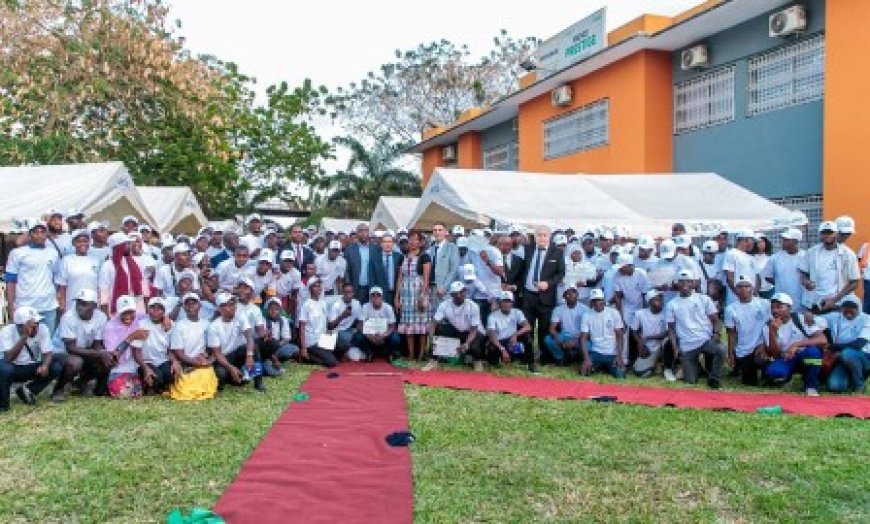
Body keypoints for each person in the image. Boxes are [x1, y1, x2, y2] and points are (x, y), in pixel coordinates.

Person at [665, 270, 726, 389]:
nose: (685, 284)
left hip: (705, 340)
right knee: (691, 380)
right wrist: (675, 348)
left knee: (721, 349)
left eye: (688, 281)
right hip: (687, 345)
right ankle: (696, 367)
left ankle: (714, 378)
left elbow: (716, 320)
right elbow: (671, 329)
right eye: (681, 281)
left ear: (693, 283)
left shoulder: (704, 299)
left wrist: (717, 333)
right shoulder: (671, 304)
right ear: (677, 284)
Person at [520, 225, 566, 373]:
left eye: (545, 235)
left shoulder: (557, 252)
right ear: (535, 237)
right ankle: (528, 357)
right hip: (528, 295)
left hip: (546, 296)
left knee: (544, 329)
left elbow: (560, 274)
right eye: (539, 235)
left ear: (550, 237)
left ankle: (544, 357)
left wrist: (548, 283)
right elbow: (522, 270)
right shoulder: (527, 250)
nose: (541, 237)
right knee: (527, 327)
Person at [50, 289, 109, 401]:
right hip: (61, 352)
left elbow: (97, 344)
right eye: (78, 302)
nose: (79, 306)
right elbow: (70, 348)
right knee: (76, 362)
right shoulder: (68, 317)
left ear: (94, 306)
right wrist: (98, 353)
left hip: (84, 350)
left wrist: (102, 354)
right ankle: (58, 389)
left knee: (105, 361)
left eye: (84, 304)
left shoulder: (100, 317)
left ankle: (80, 383)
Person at [762, 293, 826, 396]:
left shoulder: (801, 319)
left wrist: (797, 344)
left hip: (803, 355)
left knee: (813, 352)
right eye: (773, 307)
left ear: (789, 308)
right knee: (774, 373)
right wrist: (772, 333)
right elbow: (774, 354)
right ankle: (787, 380)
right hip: (786, 358)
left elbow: (822, 339)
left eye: (779, 307)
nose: (775, 311)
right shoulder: (768, 326)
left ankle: (811, 386)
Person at [0, 306, 62, 412]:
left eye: (37, 323)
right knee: (4, 368)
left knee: (55, 366)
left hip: (30, 366)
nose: (36, 326)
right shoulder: (7, 331)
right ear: (21, 326)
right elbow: (8, 358)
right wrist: (24, 336)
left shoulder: (42, 328)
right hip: (12, 368)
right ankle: (3, 404)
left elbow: (48, 353)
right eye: (33, 324)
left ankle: (28, 391)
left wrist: (45, 366)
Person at [5, 220, 61, 329]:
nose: (39, 235)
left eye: (42, 232)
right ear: (30, 234)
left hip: (48, 307)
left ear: (47, 234)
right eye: (36, 232)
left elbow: (56, 278)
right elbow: (11, 282)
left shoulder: (53, 253)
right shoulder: (17, 253)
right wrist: (11, 308)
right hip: (25, 306)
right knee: (25, 341)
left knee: (47, 342)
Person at [207, 292, 265, 392]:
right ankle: (233, 377)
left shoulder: (240, 316)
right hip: (222, 358)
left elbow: (249, 336)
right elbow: (217, 354)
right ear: (220, 309)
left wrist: (249, 356)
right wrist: (231, 368)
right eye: (227, 305)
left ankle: (258, 383)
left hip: (236, 353)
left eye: (232, 304)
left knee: (253, 347)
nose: (232, 307)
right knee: (221, 375)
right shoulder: (214, 326)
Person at [800, 221, 860, 313]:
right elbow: (803, 273)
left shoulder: (848, 254)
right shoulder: (811, 252)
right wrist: (806, 282)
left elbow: (854, 282)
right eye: (824, 233)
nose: (826, 235)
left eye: (830, 232)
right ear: (820, 235)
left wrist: (834, 300)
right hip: (815, 303)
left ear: (836, 234)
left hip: (838, 304)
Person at [423, 281, 484, 372]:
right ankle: (433, 360)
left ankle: (477, 361)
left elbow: (474, 330)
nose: (459, 295)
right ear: (451, 295)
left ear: (465, 292)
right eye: (456, 293)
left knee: (475, 344)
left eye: (461, 292)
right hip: (456, 330)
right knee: (439, 330)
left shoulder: (473, 306)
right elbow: (433, 322)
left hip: (472, 332)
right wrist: (431, 338)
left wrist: (467, 343)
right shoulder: (445, 305)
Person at [168, 292, 218, 400]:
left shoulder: (207, 324)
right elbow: (179, 352)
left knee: (206, 378)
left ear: (200, 306)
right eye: (188, 304)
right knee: (186, 388)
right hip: (186, 362)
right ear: (184, 307)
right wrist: (194, 362)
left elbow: (212, 348)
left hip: (202, 361)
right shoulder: (179, 326)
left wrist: (207, 359)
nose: (191, 306)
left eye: (194, 303)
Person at [724, 277, 771, 386]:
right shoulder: (730, 309)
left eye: (747, 286)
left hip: (761, 346)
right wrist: (730, 354)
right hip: (743, 350)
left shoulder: (764, 304)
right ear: (735, 290)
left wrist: (764, 344)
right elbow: (731, 333)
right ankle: (740, 368)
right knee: (749, 383)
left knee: (763, 362)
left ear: (752, 289)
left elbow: (771, 326)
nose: (743, 289)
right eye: (740, 287)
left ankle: (768, 375)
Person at [395, 231, 432, 361]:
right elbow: (399, 279)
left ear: (420, 242)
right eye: (410, 239)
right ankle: (410, 354)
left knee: (421, 326)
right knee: (408, 325)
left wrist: (422, 297)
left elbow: (426, 279)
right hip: (406, 294)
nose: (412, 242)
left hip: (419, 292)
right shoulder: (402, 257)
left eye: (416, 239)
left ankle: (421, 354)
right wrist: (397, 298)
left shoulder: (425, 256)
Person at [101, 295, 148, 398]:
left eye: (130, 312)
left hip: (133, 366)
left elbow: (154, 317)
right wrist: (130, 338)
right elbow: (114, 357)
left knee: (137, 393)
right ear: (118, 313)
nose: (128, 316)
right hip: (118, 368)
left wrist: (164, 318)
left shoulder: (139, 318)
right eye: (124, 313)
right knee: (123, 393)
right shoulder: (110, 327)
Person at [824, 295, 870, 393]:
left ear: (859, 309)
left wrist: (833, 347)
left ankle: (859, 384)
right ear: (841, 309)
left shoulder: (867, 319)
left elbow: (859, 344)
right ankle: (851, 378)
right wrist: (810, 315)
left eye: (851, 312)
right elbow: (817, 319)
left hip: (864, 357)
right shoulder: (834, 317)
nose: (848, 315)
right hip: (843, 360)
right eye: (846, 312)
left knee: (848, 353)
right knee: (835, 386)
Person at [132, 297, 177, 395]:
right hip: (145, 362)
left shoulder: (170, 325)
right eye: (153, 307)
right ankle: (151, 386)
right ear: (148, 309)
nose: (156, 311)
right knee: (156, 377)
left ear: (164, 311)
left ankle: (159, 387)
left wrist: (174, 362)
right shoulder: (141, 325)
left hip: (162, 361)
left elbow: (170, 349)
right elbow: (136, 352)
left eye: (160, 308)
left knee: (172, 375)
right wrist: (145, 368)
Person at [612, 253, 650, 367]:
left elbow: (645, 295)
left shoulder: (641, 274)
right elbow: (618, 297)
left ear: (629, 265)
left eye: (622, 267)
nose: (620, 269)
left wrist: (644, 313)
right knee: (624, 332)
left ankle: (643, 357)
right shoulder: (616, 276)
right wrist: (621, 317)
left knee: (641, 332)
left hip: (641, 305)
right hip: (627, 306)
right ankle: (624, 359)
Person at [579, 288, 625, 378]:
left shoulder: (614, 313)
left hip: (612, 353)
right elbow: (583, 338)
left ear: (604, 300)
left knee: (620, 375)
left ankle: (604, 367)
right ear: (591, 302)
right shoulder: (586, 315)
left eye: (599, 300)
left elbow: (620, 336)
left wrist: (619, 356)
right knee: (583, 372)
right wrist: (587, 359)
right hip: (596, 352)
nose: (597, 303)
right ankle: (599, 366)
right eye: (594, 300)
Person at [99, 233, 149, 315]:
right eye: (127, 244)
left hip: (136, 306)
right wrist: (105, 314)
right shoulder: (108, 265)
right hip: (117, 308)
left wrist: (146, 304)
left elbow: (143, 283)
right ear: (119, 246)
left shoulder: (134, 262)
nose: (129, 246)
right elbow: (104, 291)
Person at [56, 228, 99, 315]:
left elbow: (99, 287)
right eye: (79, 241)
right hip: (72, 306)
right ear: (74, 243)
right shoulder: (66, 260)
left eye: (85, 241)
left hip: (92, 306)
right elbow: (62, 288)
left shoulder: (95, 260)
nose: (83, 244)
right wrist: (63, 307)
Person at [297, 278, 338, 367]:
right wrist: (303, 347)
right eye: (315, 286)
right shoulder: (306, 305)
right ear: (310, 289)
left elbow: (325, 323)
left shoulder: (323, 303)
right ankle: (306, 355)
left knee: (341, 346)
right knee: (332, 362)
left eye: (319, 286)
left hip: (323, 339)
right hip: (312, 341)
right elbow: (302, 327)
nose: (318, 288)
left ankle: (320, 354)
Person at [544, 285, 588, 365]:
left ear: (577, 295)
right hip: (565, 335)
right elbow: (552, 329)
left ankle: (579, 358)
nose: (570, 296)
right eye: (568, 294)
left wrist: (575, 341)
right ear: (564, 296)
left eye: (573, 293)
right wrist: (561, 342)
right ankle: (560, 358)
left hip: (580, 336)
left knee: (590, 345)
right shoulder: (558, 309)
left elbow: (588, 330)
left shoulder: (585, 309)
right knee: (548, 339)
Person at [763, 228, 805, 312]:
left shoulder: (805, 256)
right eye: (783, 239)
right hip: (781, 302)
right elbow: (767, 276)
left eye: (786, 240)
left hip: (802, 303)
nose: (782, 242)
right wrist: (780, 282)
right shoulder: (775, 258)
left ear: (795, 241)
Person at [631, 290, 671, 378]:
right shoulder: (640, 313)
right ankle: (655, 366)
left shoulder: (667, 313)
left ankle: (665, 366)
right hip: (647, 347)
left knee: (668, 341)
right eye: (657, 299)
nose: (660, 301)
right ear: (649, 302)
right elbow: (633, 330)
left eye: (661, 299)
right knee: (639, 371)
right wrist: (640, 343)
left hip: (660, 347)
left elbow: (667, 333)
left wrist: (649, 337)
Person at [485, 291, 530, 367]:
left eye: (509, 301)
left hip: (511, 341)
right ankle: (498, 361)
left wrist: (515, 334)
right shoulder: (492, 316)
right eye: (504, 301)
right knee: (491, 350)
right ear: (500, 303)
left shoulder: (517, 312)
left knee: (527, 337)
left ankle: (530, 362)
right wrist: (502, 349)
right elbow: (492, 336)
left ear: (512, 303)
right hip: (499, 342)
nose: (506, 304)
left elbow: (528, 326)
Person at [355, 286, 400, 361]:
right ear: (370, 297)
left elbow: (392, 326)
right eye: (373, 295)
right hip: (369, 336)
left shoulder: (388, 307)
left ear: (382, 297)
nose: (375, 297)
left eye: (378, 295)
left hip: (384, 335)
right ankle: (369, 352)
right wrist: (369, 336)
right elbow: (360, 325)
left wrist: (383, 335)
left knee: (395, 338)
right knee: (357, 336)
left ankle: (389, 353)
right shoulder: (365, 307)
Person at [722, 230, 758, 307]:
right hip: (735, 300)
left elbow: (756, 277)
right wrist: (740, 295)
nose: (754, 244)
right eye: (753, 241)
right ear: (746, 240)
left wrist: (754, 293)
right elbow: (729, 277)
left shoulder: (751, 257)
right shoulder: (731, 254)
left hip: (751, 300)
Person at [428, 221, 461, 306]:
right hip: (430, 288)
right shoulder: (430, 249)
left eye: (440, 230)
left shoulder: (452, 247)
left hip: (444, 289)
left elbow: (454, 270)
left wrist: (444, 287)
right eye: (435, 230)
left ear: (446, 232)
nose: (437, 232)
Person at [261, 297, 298, 374]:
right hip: (266, 348)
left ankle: (276, 359)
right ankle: (272, 361)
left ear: (280, 310)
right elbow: (264, 340)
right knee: (271, 371)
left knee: (295, 349)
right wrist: (272, 349)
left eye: (276, 309)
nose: (274, 311)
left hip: (278, 345)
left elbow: (287, 338)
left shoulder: (283, 319)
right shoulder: (262, 320)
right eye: (271, 309)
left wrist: (277, 345)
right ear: (267, 310)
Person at [327, 282, 363, 358]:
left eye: (350, 292)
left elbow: (360, 320)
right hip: (337, 331)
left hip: (349, 330)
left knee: (360, 337)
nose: (348, 295)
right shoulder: (336, 305)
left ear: (353, 293)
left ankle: (344, 350)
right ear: (342, 293)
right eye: (346, 292)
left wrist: (358, 329)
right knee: (347, 339)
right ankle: (340, 350)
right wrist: (342, 316)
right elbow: (330, 326)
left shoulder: (356, 303)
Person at [344, 223, 375, 303]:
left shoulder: (376, 248)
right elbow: (346, 270)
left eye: (366, 231)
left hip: (371, 288)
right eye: (361, 231)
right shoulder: (350, 250)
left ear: (369, 233)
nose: (363, 233)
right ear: (357, 233)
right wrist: (348, 286)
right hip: (355, 288)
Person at [370, 233, 402, 306]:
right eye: (385, 242)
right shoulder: (374, 258)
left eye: (390, 242)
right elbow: (372, 278)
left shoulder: (399, 257)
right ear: (381, 244)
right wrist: (373, 295)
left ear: (393, 244)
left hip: (396, 294)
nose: (387, 244)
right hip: (380, 294)